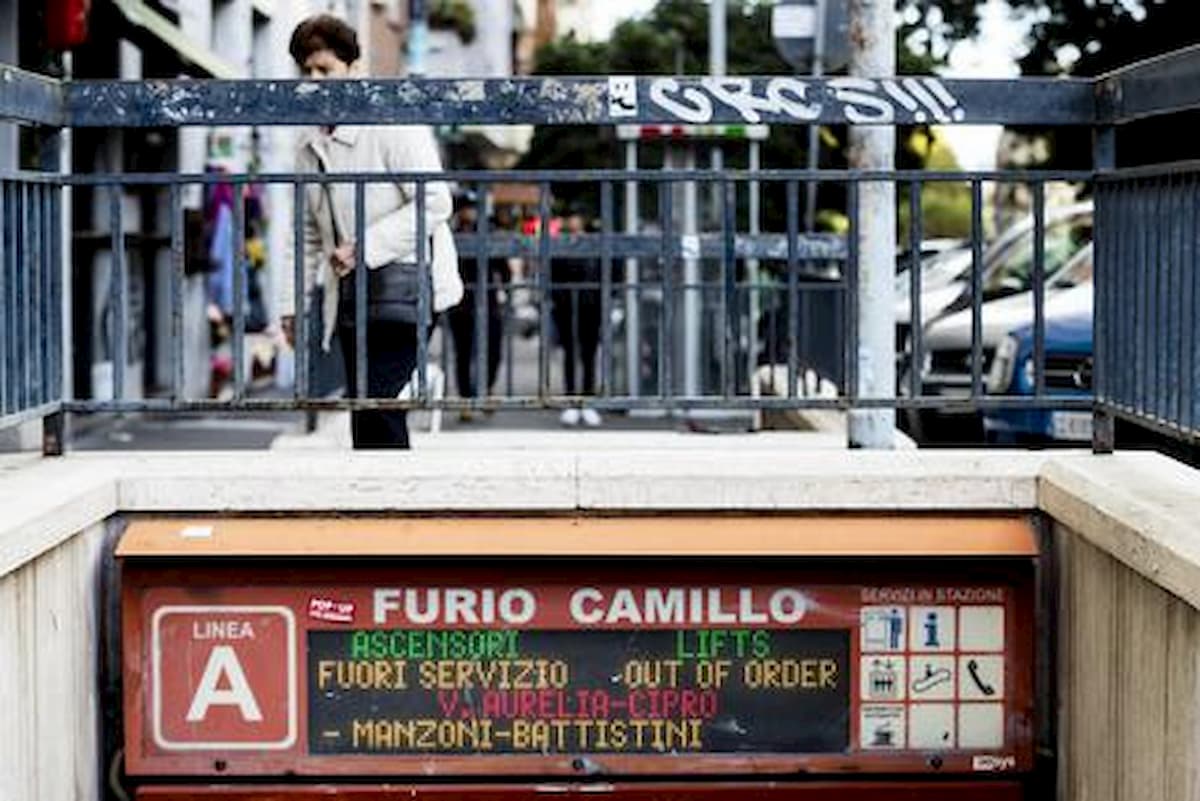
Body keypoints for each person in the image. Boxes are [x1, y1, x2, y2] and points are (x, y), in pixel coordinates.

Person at [278, 14, 463, 448]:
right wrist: (292, 306)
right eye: (306, 71)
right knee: (367, 406)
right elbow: (305, 232)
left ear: (354, 68)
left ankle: (391, 505)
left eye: (325, 69)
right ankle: (380, 505)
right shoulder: (308, 144)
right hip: (349, 296)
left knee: (377, 400)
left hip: (407, 288)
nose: (314, 79)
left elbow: (436, 200)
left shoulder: (391, 124)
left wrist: (364, 247)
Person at [447, 195, 508, 417]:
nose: (470, 214)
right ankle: (466, 399)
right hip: (461, 301)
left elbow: (503, 267)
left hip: (487, 298)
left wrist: (504, 289)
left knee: (493, 350)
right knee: (463, 352)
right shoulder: (450, 233)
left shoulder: (487, 232)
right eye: (466, 209)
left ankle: (487, 390)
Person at [550, 208, 602, 427]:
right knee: (571, 354)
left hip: (590, 306)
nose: (573, 221)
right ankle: (572, 401)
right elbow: (552, 275)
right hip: (567, 307)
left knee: (589, 355)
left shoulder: (593, 243)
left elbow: (605, 271)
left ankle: (587, 401)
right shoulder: (561, 245)